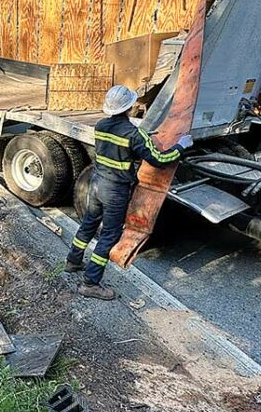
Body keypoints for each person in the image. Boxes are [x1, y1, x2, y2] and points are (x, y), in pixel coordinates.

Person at [64, 85, 194, 300]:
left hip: (97, 183)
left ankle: (73, 261)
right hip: (115, 190)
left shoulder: (101, 125)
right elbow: (159, 160)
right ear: (131, 106)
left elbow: (118, 143)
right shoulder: (134, 134)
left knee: (88, 224)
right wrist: (181, 146)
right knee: (109, 236)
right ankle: (90, 283)